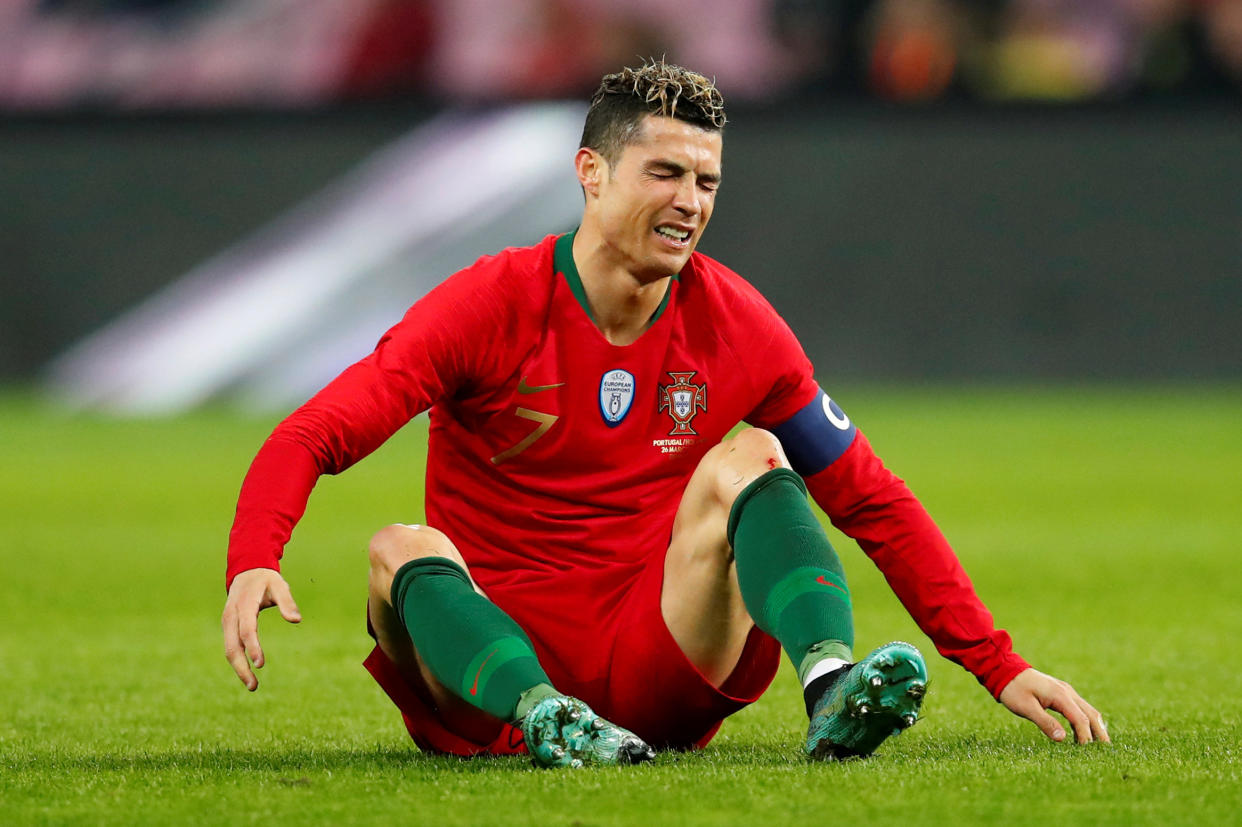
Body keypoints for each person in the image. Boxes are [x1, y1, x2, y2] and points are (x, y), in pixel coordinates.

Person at [221, 61, 1109, 767]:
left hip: (656, 653)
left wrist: (1000, 663)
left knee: (754, 453)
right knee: (397, 547)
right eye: (666, 172)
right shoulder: (488, 305)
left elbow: (870, 497)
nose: (691, 201)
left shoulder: (738, 324)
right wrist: (254, 556)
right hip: (488, 678)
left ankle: (833, 686)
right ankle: (548, 719)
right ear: (591, 173)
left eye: (707, 180)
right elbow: (313, 431)